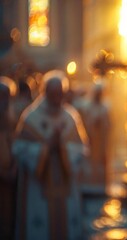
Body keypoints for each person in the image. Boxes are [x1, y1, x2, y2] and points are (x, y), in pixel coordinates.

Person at [12, 70, 88, 240]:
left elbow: (81, 148)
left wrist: (61, 148)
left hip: (65, 185)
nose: (56, 98)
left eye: (60, 94)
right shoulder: (31, 117)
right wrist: (45, 148)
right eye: (53, 94)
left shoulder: (70, 117)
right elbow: (19, 148)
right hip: (38, 187)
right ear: (44, 92)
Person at [83, 82, 111, 187]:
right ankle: (91, 183)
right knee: (91, 161)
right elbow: (85, 123)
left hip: (101, 139)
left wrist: (102, 125)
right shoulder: (88, 106)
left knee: (102, 160)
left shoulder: (105, 107)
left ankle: (102, 183)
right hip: (92, 138)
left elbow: (108, 123)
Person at [0, 76, 17, 240]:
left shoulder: (11, 119)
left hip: (10, 182)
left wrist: (14, 168)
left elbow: (16, 147)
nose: (4, 101)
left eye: (7, 97)